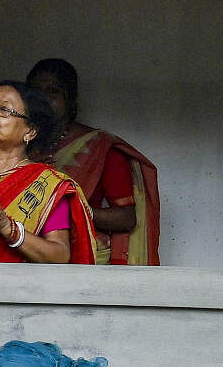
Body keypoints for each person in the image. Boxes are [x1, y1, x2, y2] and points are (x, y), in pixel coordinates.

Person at [0, 80, 97, 264]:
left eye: (4, 110)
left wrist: (10, 229)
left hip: (14, 290)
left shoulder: (45, 184)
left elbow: (60, 255)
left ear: (30, 131)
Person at [27, 58, 161, 265]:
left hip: (82, 258)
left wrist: (78, 210)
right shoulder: (14, 144)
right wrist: (23, 168)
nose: (43, 98)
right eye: (35, 91)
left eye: (53, 91)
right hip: (24, 251)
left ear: (70, 99)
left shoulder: (98, 147)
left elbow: (127, 218)